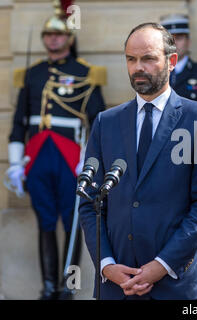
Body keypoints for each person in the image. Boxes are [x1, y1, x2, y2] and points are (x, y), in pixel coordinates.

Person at [79, 22, 197, 300]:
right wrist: (106, 265)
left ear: (171, 62)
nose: (138, 67)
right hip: (117, 285)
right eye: (131, 59)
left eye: (148, 58)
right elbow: (90, 202)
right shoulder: (105, 122)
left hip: (176, 285)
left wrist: (161, 266)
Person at [6, 2, 106, 300]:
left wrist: (88, 162)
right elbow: (18, 124)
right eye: (48, 34)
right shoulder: (32, 74)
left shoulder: (86, 72)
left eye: (59, 34)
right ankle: (48, 286)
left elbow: (97, 124)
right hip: (37, 158)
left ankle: (68, 288)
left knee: (72, 222)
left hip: (70, 158)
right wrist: (14, 164)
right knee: (45, 222)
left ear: (69, 38)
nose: (53, 39)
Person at [160, 14, 197, 116]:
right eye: (169, 39)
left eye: (179, 38)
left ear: (188, 42)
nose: (174, 44)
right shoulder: (154, 74)